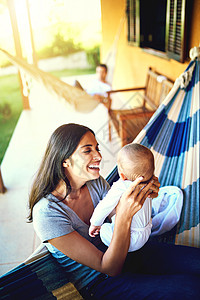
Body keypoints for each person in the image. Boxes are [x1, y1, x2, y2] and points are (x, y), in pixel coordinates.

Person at [28, 123, 200, 300]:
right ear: (65, 160)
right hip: (101, 281)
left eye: (97, 148)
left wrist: (145, 192)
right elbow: (110, 267)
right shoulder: (47, 213)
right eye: (88, 151)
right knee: (192, 289)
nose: (99, 156)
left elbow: (119, 211)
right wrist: (125, 216)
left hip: (130, 252)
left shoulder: (95, 183)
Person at [89, 143, 154, 252]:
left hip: (129, 238)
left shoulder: (121, 186)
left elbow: (105, 206)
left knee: (105, 229)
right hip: (146, 232)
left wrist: (95, 223)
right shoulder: (148, 185)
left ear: (122, 175)